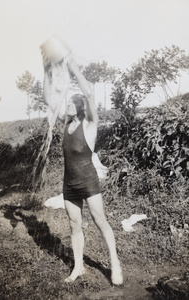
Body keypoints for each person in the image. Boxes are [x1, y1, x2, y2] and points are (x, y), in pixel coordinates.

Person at [61, 56, 123, 285]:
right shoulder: (67, 125)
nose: (67, 105)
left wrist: (74, 69)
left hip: (88, 182)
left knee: (101, 221)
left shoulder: (90, 125)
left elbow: (89, 93)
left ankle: (115, 265)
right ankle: (78, 267)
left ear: (79, 107)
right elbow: (52, 100)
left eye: (71, 103)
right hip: (69, 184)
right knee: (74, 225)